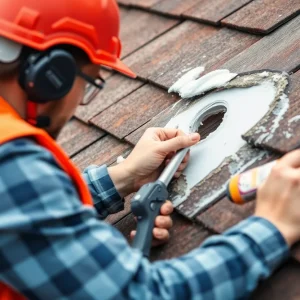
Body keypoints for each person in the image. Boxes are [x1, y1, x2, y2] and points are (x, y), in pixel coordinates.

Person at [0, 0, 299, 299]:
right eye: (89, 82)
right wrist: (270, 229)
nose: (80, 101)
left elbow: (29, 208)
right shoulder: (11, 160)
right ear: (52, 74)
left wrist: (123, 177)